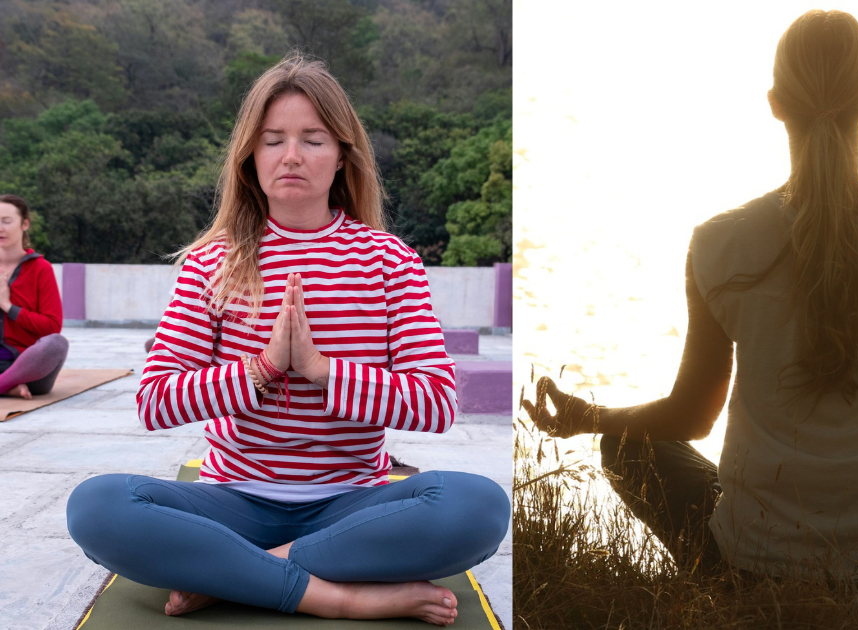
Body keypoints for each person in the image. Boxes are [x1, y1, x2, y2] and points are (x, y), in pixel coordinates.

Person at [524, 9, 858, 578]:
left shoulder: (718, 243)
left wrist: (590, 416)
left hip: (758, 560)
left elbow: (691, 416)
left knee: (625, 444)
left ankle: (730, 574)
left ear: (775, 103)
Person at [66, 54, 509, 625]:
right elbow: (156, 401)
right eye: (273, 139)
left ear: (343, 153)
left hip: (354, 506)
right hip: (233, 501)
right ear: (250, 155)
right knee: (97, 507)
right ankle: (336, 595)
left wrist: (322, 370)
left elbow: (436, 403)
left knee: (478, 506)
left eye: (313, 139)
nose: (292, 155)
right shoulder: (213, 262)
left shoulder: (389, 261)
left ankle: (240, 573)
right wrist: (264, 367)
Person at [0, 194, 68, 400]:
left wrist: (7, 305)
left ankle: (6, 382)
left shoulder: (40, 269)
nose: (0, 227)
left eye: (6, 221)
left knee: (56, 344)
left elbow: (52, 326)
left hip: (28, 368)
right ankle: (8, 387)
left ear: (25, 223)